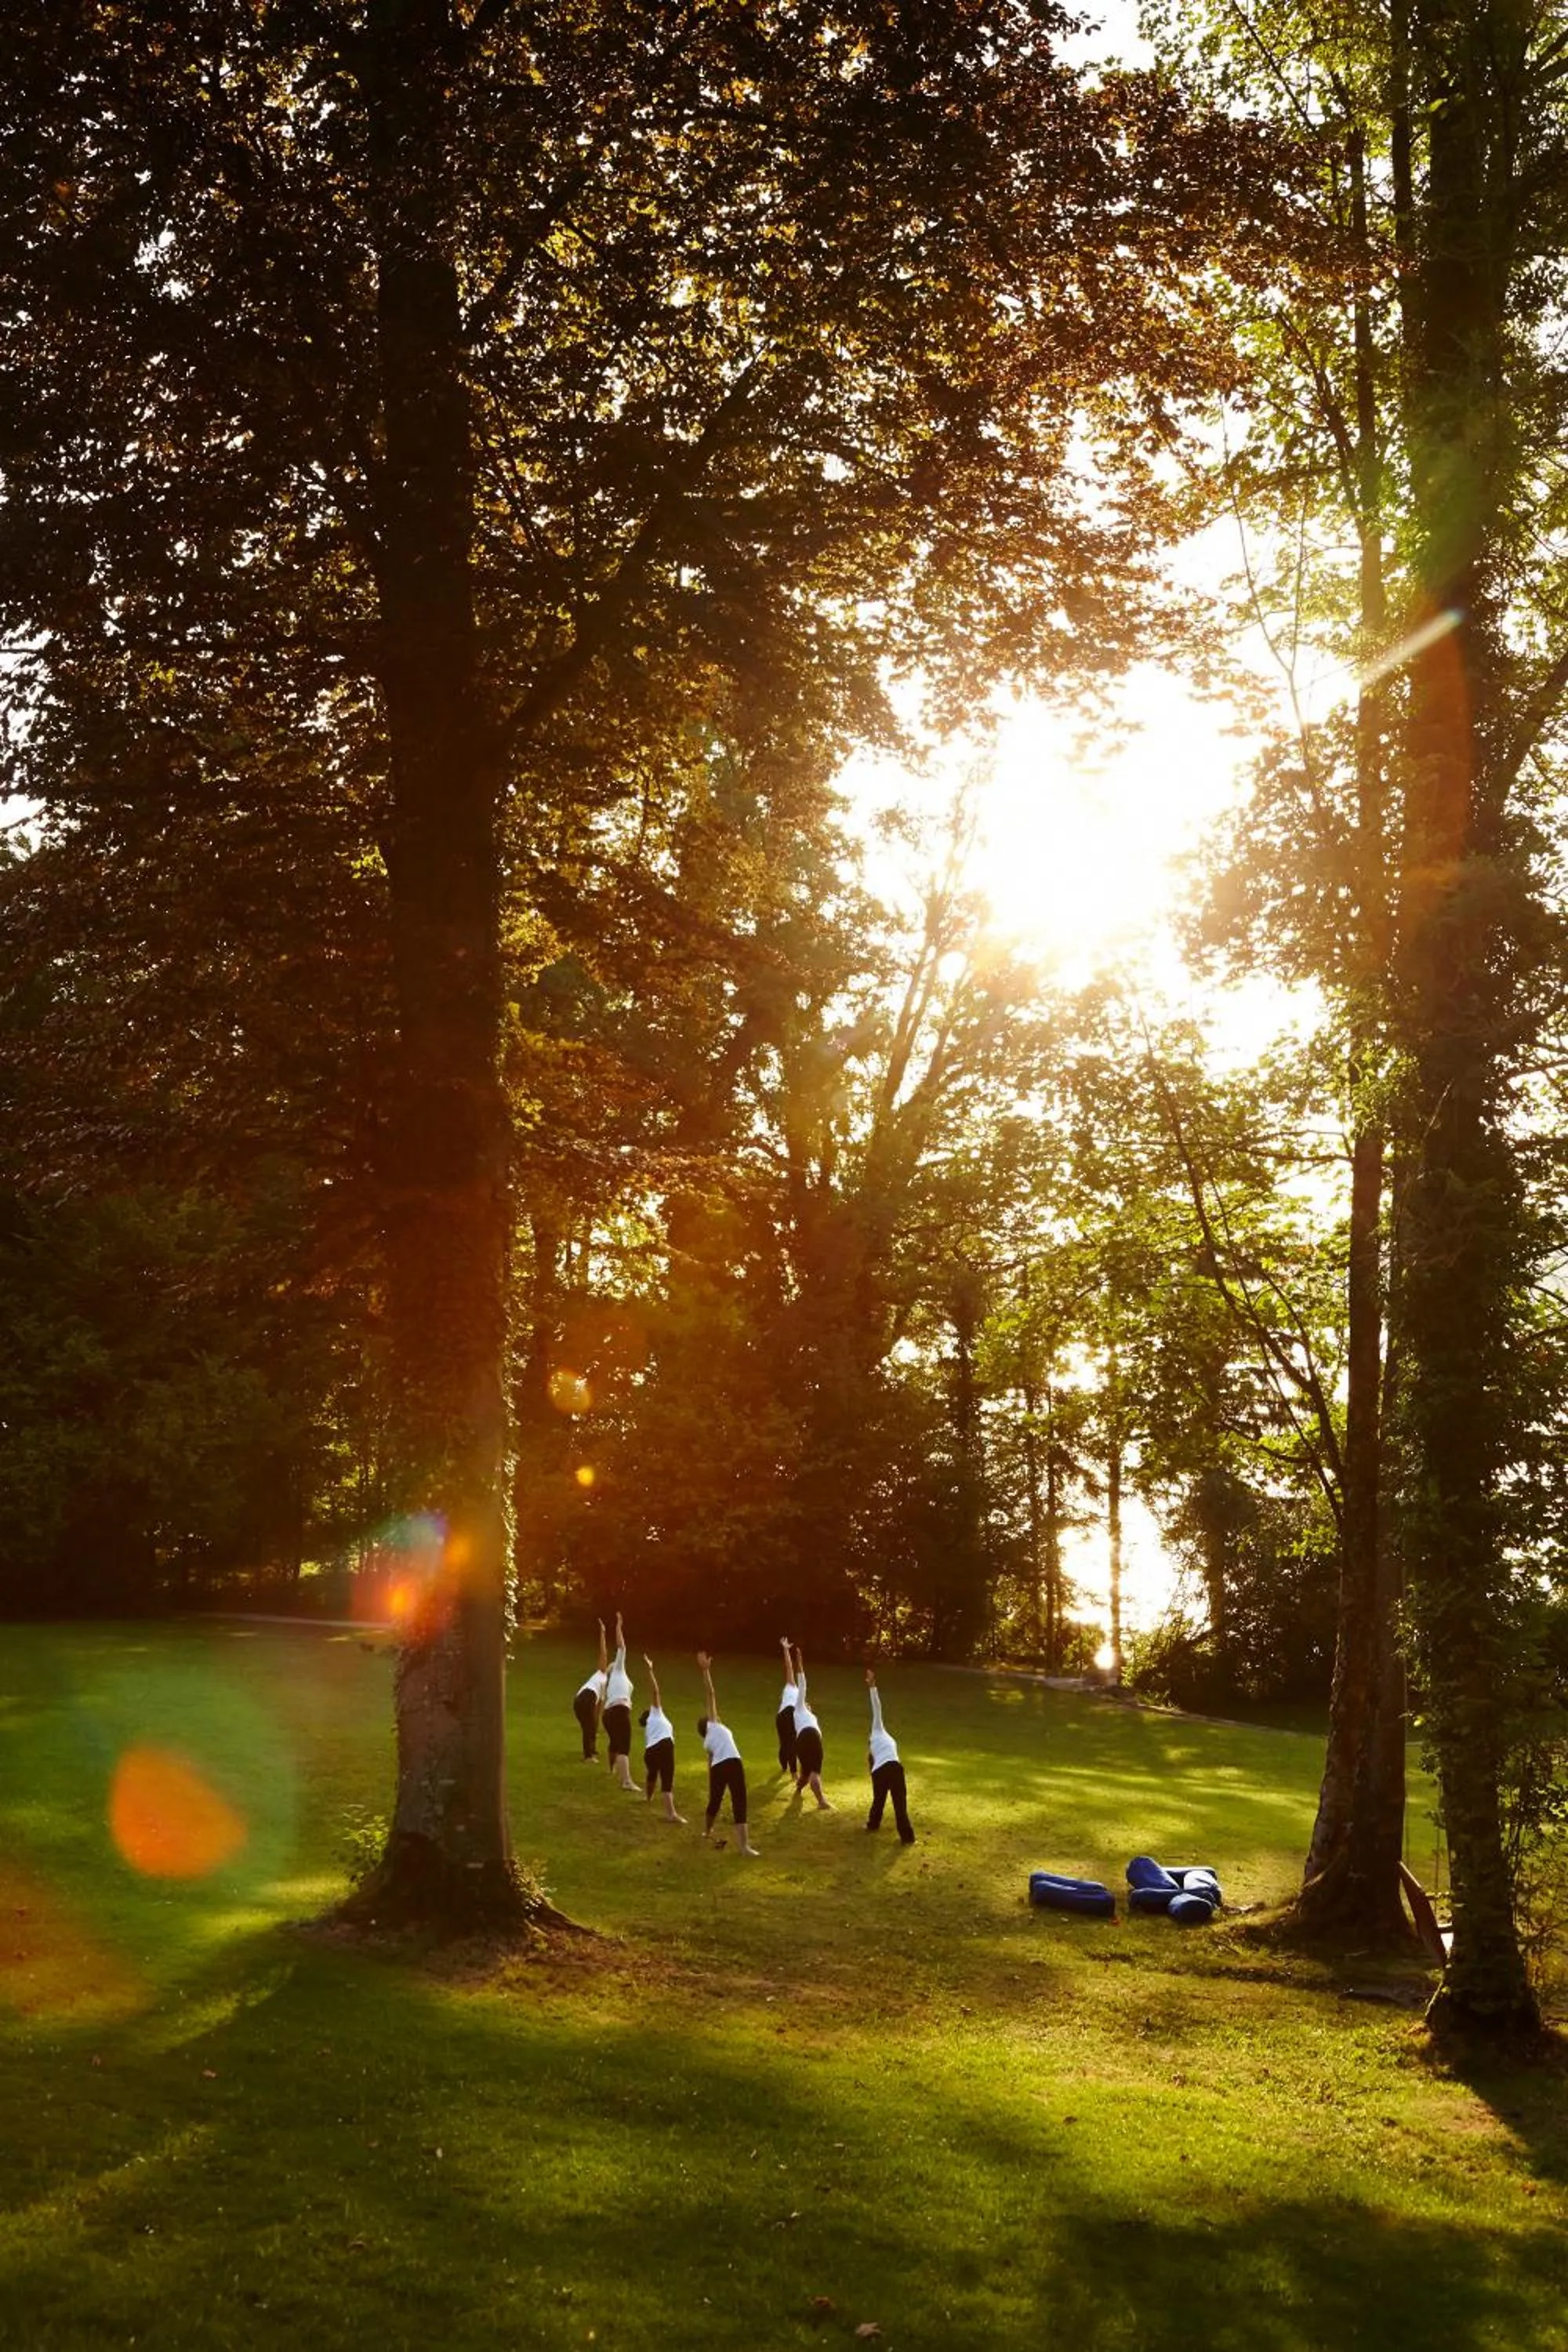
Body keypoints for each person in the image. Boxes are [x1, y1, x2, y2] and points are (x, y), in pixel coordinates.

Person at [695, 1651, 759, 1856]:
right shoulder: (714, 1725)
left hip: (718, 1767)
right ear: (709, 1723)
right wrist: (706, 1671)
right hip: (732, 1762)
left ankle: (706, 1832)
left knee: (715, 1800)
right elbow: (710, 1693)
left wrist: (711, 1780)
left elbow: (710, 1762)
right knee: (739, 1800)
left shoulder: (707, 1742)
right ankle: (744, 1847)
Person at [864, 1667, 916, 1843]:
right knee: (899, 1804)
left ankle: (873, 1825)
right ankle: (907, 1837)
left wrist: (872, 1686)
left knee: (880, 1800)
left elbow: (877, 1708)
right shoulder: (877, 1732)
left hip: (883, 1770)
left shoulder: (877, 1738)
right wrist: (872, 1687)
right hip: (892, 1768)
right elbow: (877, 1708)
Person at [639, 1653, 685, 1823]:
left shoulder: (650, 1726)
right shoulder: (656, 1714)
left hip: (650, 1751)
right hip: (664, 1745)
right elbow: (655, 1691)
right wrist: (650, 1669)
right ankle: (671, 1814)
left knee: (652, 1773)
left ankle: (648, 1798)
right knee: (667, 1780)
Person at [789, 1642, 833, 1811]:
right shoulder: (798, 1708)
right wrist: (799, 1662)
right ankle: (821, 1802)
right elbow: (803, 1685)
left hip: (801, 1741)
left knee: (806, 1773)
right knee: (815, 1771)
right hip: (811, 1737)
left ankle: (799, 1788)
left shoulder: (801, 1715)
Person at [603, 1610, 638, 1791]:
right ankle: (626, 1782)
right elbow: (621, 1646)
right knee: (624, 1746)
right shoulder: (618, 1670)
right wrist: (618, 1625)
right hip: (618, 1710)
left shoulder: (612, 1682)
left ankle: (612, 1770)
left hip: (608, 1713)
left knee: (615, 1742)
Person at [572, 1622, 608, 1762]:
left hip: (579, 1700)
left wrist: (596, 1725)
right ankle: (589, 1756)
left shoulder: (602, 1684)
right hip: (587, 1697)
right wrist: (603, 1633)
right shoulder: (603, 1674)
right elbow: (603, 1652)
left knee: (589, 1726)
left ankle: (592, 1750)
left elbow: (597, 1712)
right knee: (589, 1726)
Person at [775, 1634, 800, 1777]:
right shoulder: (791, 1686)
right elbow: (789, 1667)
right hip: (788, 1714)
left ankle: (785, 1765)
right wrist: (785, 1650)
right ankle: (793, 1772)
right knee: (790, 1743)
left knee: (786, 1744)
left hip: (782, 1718)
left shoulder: (796, 1694)